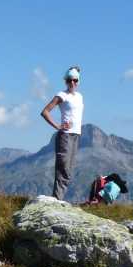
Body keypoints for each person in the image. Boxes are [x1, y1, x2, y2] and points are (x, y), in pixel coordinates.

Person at [40, 66, 84, 200]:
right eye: (70, 80)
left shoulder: (80, 96)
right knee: (62, 168)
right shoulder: (61, 95)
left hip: (76, 135)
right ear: (66, 81)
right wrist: (58, 126)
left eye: (75, 80)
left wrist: (76, 69)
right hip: (65, 135)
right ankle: (56, 200)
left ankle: (58, 199)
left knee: (68, 171)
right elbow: (45, 112)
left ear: (78, 81)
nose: (72, 83)